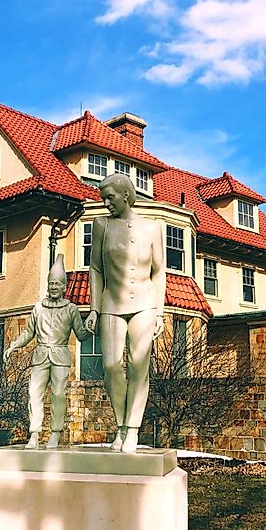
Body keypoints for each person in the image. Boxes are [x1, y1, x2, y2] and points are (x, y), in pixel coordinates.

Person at [86, 174, 165, 453]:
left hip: (144, 302)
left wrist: (159, 312)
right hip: (111, 304)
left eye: (110, 197)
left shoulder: (152, 228)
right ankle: (121, 424)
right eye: (103, 198)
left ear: (126, 196)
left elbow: (158, 271)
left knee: (138, 366)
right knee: (111, 366)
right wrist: (94, 308)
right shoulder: (101, 225)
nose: (106, 203)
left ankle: (131, 429)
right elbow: (95, 269)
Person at [5, 254, 91, 449]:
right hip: (40, 355)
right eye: (51, 283)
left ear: (64, 287)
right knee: (34, 393)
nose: (53, 287)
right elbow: (28, 333)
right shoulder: (38, 308)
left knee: (58, 394)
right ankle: (34, 434)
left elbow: (82, 335)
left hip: (60, 356)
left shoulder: (71, 309)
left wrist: (93, 325)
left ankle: (55, 433)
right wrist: (13, 346)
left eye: (57, 284)